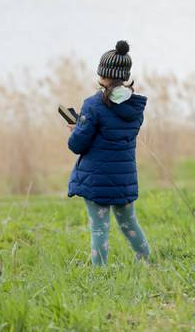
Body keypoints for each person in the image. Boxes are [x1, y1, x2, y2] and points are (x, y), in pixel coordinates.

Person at [66, 40, 151, 265]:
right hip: (124, 177)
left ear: (103, 75)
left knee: (99, 228)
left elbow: (77, 145)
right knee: (129, 222)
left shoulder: (93, 105)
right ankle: (146, 259)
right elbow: (116, 132)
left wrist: (77, 128)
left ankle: (100, 273)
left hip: (97, 179)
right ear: (124, 75)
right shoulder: (135, 108)